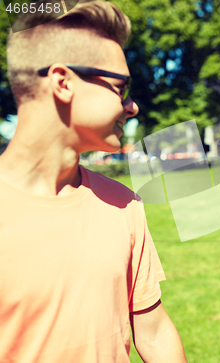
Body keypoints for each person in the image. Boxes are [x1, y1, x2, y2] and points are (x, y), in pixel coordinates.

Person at [0, 1, 187, 362]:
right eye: (121, 87)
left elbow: (154, 333)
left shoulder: (124, 203)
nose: (132, 106)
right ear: (63, 82)